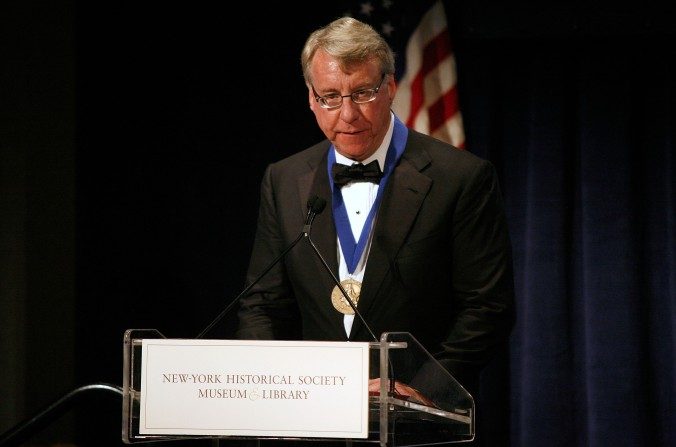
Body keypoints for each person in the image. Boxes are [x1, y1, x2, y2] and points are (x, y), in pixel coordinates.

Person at [236, 15, 515, 444]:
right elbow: (262, 304)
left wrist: (421, 389)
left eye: (362, 93)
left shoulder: (459, 177)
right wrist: (270, 390)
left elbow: (488, 307)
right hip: (310, 422)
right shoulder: (283, 179)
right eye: (329, 97)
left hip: (420, 423)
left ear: (390, 88)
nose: (347, 114)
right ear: (310, 98)